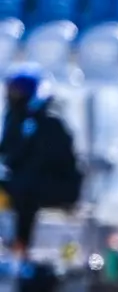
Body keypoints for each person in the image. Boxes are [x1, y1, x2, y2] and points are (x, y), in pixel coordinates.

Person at [0, 64, 81, 258]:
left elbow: (46, 161)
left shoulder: (49, 121)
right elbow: (9, 153)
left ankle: (21, 245)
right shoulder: (16, 119)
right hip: (29, 181)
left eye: (19, 92)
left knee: (25, 190)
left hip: (56, 185)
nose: (13, 97)